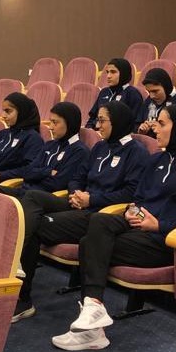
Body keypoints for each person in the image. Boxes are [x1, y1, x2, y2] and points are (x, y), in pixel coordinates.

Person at [52, 105, 176, 351]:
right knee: (99, 221)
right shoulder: (157, 159)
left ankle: (93, 328)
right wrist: (133, 210)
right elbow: (139, 198)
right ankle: (94, 310)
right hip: (138, 226)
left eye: (162, 124)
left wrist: (159, 225)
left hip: (165, 239)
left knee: (88, 245)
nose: (155, 128)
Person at [14, 101, 149, 321]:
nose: (97, 125)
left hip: (100, 213)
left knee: (36, 225)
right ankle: (17, 266)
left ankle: (22, 298)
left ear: (118, 122)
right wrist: (76, 194)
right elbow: (78, 177)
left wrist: (91, 199)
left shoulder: (136, 153)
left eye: (102, 120)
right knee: (32, 197)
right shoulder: (100, 147)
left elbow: (131, 193)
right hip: (80, 204)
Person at [18, 101, 90, 194]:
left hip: (39, 196)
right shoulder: (49, 144)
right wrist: (47, 172)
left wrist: (35, 176)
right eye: (50, 122)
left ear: (70, 123)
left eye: (55, 122)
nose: (50, 127)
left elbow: (58, 184)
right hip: (25, 190)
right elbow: (27, 172)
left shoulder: (79, 151)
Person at [135, 68, 176, 136]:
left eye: (155, 91)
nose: (151, 96)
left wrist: (162, 129)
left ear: (166, 87)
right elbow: (137, 124)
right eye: (149, 92)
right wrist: (141, 129)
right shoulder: (148, 100)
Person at [86, 58, 144, 130]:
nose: (108, 76)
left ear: (123, 73)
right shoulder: (104, 92)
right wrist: (90, 130)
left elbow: (134, 123)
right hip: (97, 132)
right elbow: (92, 118)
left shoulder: (132, 94)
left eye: (113, 72)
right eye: (107, 72)